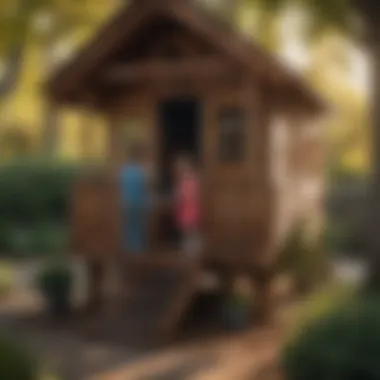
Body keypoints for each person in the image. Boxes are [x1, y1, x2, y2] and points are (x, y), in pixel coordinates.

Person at [119, 144, 150, 254]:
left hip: (126, 203)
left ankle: (128, 249)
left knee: (127, 227)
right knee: (137, 227)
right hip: (138, 203)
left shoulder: (123, 171)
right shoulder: (141, 172)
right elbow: (144, 189)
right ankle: (137, 249)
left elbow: (119, 188)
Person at [174, 156, 201, 257]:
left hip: (189, 211)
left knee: (190, 233)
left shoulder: (189, 182)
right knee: (187, 234)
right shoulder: (190, 182)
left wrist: (179, 198)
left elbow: (184, 197)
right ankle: (188, 253)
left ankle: (190, 254)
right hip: (188, 211)